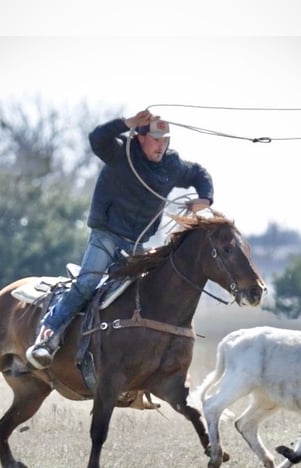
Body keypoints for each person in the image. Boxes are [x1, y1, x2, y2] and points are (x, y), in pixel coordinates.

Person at [25, 109, 214, 369]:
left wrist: (205, 198)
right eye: (156, 139)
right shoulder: (120, 154)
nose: (162, 145)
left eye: (165, 140)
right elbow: (97, 139)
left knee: (143, 295)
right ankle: (46, 338)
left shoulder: (172, 165)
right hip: (106, 235)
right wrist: (128, 123)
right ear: (140, 138)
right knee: (88, 282)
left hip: (136, 244)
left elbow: (199, 174)